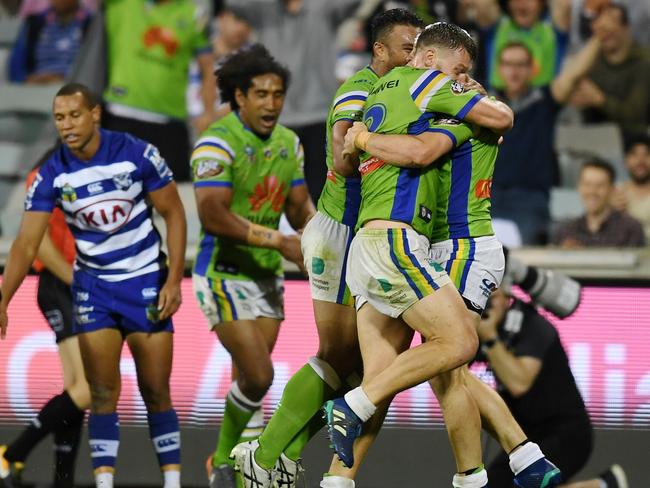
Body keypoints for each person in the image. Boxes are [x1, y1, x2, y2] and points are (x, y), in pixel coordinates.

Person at [324, 23, 532, 488]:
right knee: (457, 348)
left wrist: (360, 140)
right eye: (458, 69)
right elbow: (490, 124)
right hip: (402, 241)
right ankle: (354, 406)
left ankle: (335, 481)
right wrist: (476, 102)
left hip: (368, 244)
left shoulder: (378, 90)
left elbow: (348, 155)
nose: (460, 80)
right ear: (433, 59)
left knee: (387, 370)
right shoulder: (431, 84)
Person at [228, 9, 426, 488]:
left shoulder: (407, 91)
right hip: (342, 233)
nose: (415, 56)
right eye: (407, 47)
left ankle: (283, 453)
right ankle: (265, 451)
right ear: (379, 50)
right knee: (340, 358)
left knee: (370, 375)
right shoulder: (359, 90)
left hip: (372, 238)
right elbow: (343, 154)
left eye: (420, 47)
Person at [0, 82, 187, 488]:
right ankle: (99, 482)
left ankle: (171, 482)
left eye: (73, 115)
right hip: (90, 289)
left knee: (155, 391)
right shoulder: (50, 173)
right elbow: (27, 243)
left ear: (95, 114)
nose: (65, 125)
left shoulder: (136, 152)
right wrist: (3, 299)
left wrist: (174, 278)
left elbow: (173, 212)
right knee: (98, 392)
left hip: (144, 282)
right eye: (58, 118)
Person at [189, 44, 315, 488]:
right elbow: (212, 214)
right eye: (260, 94)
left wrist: (319, 240)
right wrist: (276, 240)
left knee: (251, 379)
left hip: (266, 277)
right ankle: (221, 460)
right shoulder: (216, 142)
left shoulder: (289, 143)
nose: (271, 104)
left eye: (277, 94)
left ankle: (244, 468)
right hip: (222, 272)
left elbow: (299, 206)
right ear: (239, 97)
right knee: (260, 374)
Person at [476, 287, 629, 488]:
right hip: (529, 436)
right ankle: (602, 485)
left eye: (492, 298)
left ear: (506, 296)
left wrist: (489, 336)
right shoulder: (491, 330)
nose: (487, 306)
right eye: (482, 299)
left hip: (566, 435)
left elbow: (518, 383)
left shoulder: (533, 326)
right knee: (495, 483)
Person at [0, 149, 90, 488]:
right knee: (88, 389)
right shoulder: (44, 176)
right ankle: (11, 454)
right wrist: (75, 281)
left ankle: (61, 481)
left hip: (73, 285)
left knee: (75, 391)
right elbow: (36, 243)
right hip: (59, 285)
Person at [223, 0, 366, 204]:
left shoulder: (323, 7)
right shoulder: (262, 8)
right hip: (275, 117)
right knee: (272, 197)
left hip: (319, 115)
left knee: (320, 195)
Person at [490, 36, 602, 245]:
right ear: (499, 68)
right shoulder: (485, 100)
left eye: (521, 64)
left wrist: (599, 36)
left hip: (531, 199)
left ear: (533, 68)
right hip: (486, 195)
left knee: (527, 264)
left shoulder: (544, 99)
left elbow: (574, 73)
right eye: (508, 64)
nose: (514, 71)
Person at [102, 0, 216, 182]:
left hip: (170, 125)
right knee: (117, 198)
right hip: (121, 117)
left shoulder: (194, 14)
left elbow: (209, 67)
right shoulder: (121, 4)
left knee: (178, 200)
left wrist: (209, 113)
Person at [569, 3, 650, 135]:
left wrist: (599, 100)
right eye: (601, 26)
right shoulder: (591, 62)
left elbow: (636, 117)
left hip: (634, 142)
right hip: (594, 137)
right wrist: (579, 102)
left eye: (613, 21)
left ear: (626, 28)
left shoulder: (643, 63)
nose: (606, 30)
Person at [553, 160, 645, 247]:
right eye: (587, 184)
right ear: (579, 187)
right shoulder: (566, 232)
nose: (592, 191)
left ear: (612, 189)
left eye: (600, 185)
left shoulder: (630, 229)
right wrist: (565, 254)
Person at [8, 0, 92, 83]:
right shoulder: (35, 23)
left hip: (76, 87)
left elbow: (94, 68)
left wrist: (62, 79)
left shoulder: (91, 23)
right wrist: (27, 80)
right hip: (35, 88)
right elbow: (16, 70)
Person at [612, 134, 650, 242]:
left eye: (647, 154)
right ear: (625, 161)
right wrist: (609, 209)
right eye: (634, 154)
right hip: (625, 254)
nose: (640, 161)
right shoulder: (614, 193)